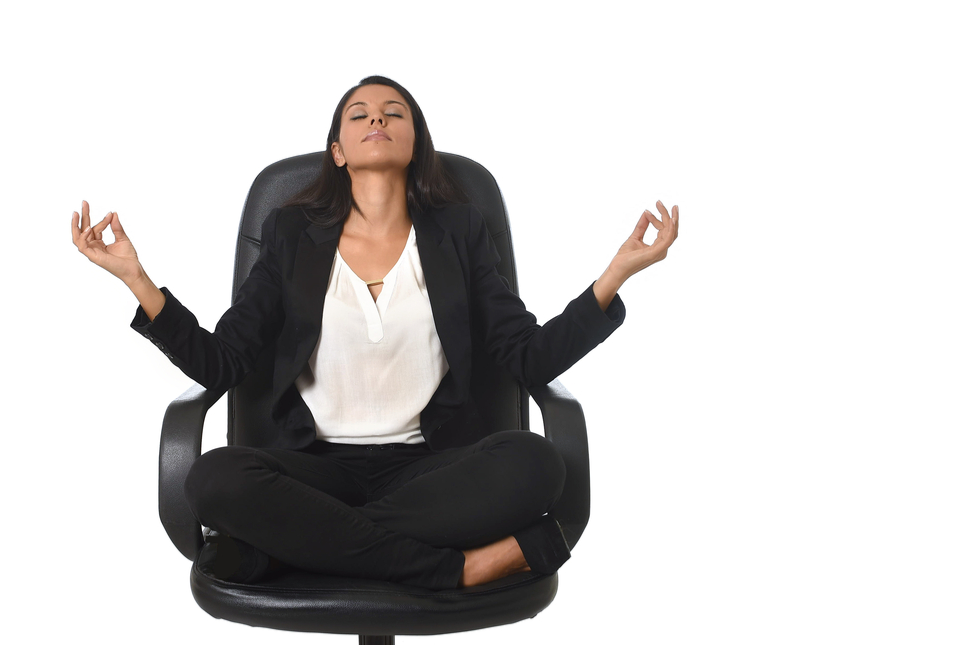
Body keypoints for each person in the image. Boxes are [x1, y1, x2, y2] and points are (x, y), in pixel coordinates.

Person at [70, 75, 679, 590]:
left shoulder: (459, 234)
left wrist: (617, 273)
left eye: (394, 113)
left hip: (429, 467)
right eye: (359, 114)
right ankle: (454, 570)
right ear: (338, 150)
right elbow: (222, 363)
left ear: (415, 142)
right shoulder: (290, 235)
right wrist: (136, 278)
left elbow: (527, 357)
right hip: (316, 465)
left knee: (536, 462)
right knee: (212, 479)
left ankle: (289, 546)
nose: (377, 119)